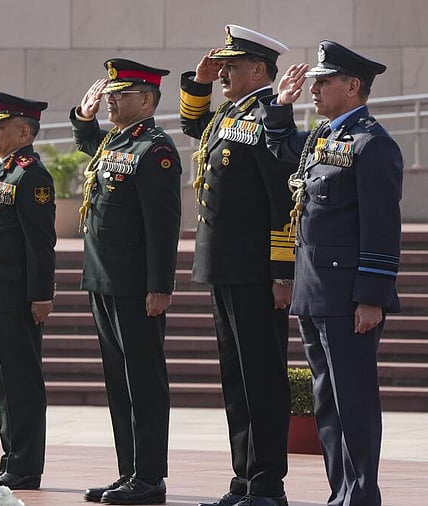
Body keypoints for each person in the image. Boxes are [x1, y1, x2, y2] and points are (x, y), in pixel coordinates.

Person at [261, 41, 403, 506]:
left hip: (348, 297)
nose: (314, 89)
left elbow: (382, 228)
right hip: (314, 291)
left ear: (353, 86)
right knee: (326, 402)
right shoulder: (324, 139)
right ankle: (341, 491)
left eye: (323, 82)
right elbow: (283, 150)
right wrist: (281, 106)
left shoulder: (373, 144)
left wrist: (372, 297)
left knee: (353, 401)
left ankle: (361, 495)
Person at [178, 25, 297, 506]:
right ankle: (244, 479)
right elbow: (193, 127)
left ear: (260, 70)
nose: (223, 71)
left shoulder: (271, 115)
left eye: (232, 65)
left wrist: (283, 271)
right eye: (222, 64)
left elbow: (283, 199)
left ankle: (269, 483)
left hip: (256, 270)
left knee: (263, 377)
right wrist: (199, 84)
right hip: (223, 265)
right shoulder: (231, 111)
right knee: (236, 378)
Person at [72, 58, 182, 505]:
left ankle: (150, 477)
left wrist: (161, 285)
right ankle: (128, 472)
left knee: (144, 381)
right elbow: (89, 144)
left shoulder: (154, 150)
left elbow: (163, 224)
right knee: (119, 383)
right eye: (111, 92)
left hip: (137, 285)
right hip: (104, 279)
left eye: (122, 93)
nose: (112, 98)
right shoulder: (118, 141)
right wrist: (85, 117)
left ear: (148, 100)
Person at [0, 91, 56, 491]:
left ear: (23, 131)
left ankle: (26, 464)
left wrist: (41, 295)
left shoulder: (31, 175)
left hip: (16, 295)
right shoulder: (1, 168)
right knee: (2, 381)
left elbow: (40, 243)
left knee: (21, 381)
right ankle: (11, 457)